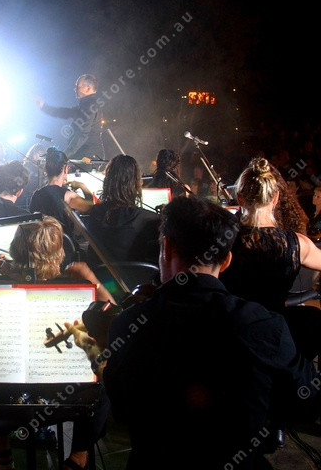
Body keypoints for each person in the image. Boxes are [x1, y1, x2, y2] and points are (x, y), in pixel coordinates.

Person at [67, 195, 321, 469]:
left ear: (166, 248)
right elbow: (306, 401)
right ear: (226, 261)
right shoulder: (263, 325)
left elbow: (123, 410)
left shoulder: (128, 323)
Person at [0, 215, 115, 470]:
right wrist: (91, 278)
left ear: (15, 249)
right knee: (104, 376)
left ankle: (2, 450)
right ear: (59, 253)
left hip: (5, 401)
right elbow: (116, 316)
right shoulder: (77, 285)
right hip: (65, 396)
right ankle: (78, 457)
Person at [219, 157, 321, 362]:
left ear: (239, 198)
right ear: (275, 198)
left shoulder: (221, 242)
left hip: (230, 338)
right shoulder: (297, 243)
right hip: (276, 334)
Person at [86, 154, 160, 266]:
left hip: (101, 275)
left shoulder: (96, 212)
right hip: (137, 277)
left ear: (108, 181)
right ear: (135, 183)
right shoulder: (148, 219)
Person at [36, 74, 106, 160]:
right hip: (85, 154)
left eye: (77, 86)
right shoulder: (85, 105)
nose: (75, 89)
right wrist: (44, 107)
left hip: (88, 156)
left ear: (87, 88)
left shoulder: (89, 105)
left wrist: (64, 156)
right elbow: (65, 112)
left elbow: (83, 133)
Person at [29, 147, 94, 240]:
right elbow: (91, 208)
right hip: (63, 245)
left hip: (42, 244)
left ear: (46, 169)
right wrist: (82, 186)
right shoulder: (69, 196)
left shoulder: (36, 194)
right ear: (66, 169)